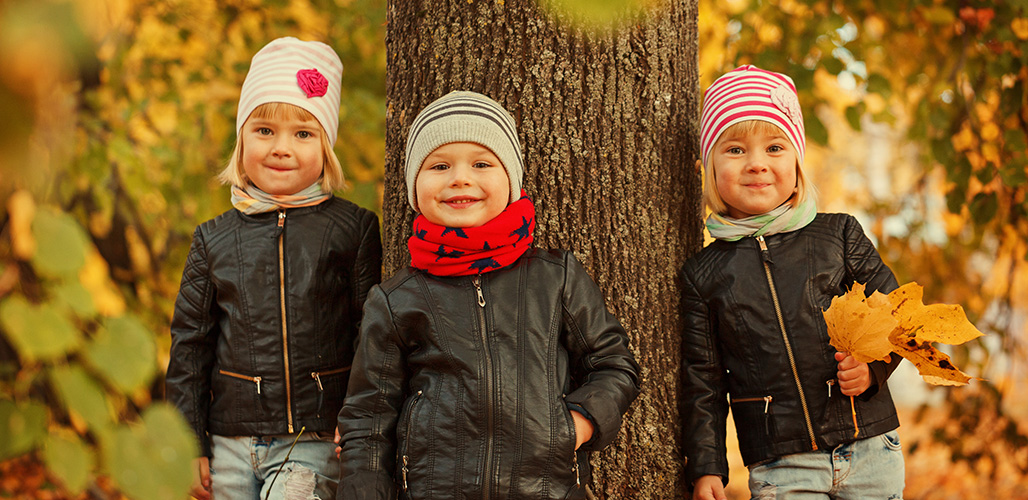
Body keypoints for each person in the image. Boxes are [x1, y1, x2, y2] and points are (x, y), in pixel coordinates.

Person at [335, 91, 640, 500]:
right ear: (414, 186)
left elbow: (613, 362)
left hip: (548, 489)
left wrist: (578, 422)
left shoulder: (555, 276)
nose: (460, 178)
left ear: (510, 180)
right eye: (439, 165)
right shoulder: (396, 299)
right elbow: (368, 418)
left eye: (481, 163)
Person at [166, 36, 382, 500]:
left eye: (303, 134)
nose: (281, 148)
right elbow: (190, 345)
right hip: (229, 440)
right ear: (242, 137)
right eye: (264, 130)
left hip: (313, 436)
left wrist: (362, 421)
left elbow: (372, 334)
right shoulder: (213, 239)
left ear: (326, 146)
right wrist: (187, 441)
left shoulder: (353, 229)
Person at [680, 65, 905, 500]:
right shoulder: (704, 274)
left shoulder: (838, 235)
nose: (757, 164)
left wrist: (874, 369)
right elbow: (703, 380)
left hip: (869, 447)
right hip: (782, 462)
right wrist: (707, 466)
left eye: (775, 146)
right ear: (711, 167)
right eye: (735, 150)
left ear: (797, 161)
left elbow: (895, 313)